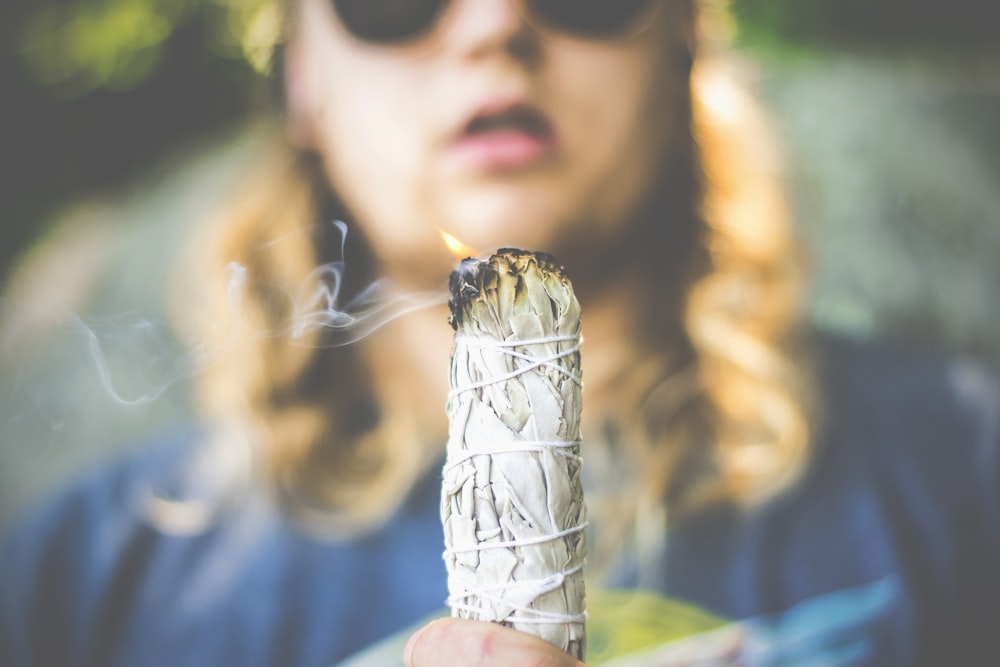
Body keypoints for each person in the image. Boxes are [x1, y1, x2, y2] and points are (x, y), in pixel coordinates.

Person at [1, 0, 998, 665]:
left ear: (685, 29)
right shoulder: (83, 582)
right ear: (301, 71)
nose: (494, 24)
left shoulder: (962, 471)